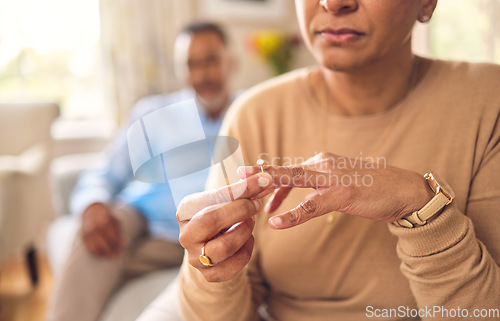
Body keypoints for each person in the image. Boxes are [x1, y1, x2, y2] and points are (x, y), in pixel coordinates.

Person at [140, 1, 500, 320]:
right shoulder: (254, 114)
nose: (333, 3)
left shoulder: (486, 100)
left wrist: (421, 204)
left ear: (427, 3)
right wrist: (212, 268)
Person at [46, 21, 237, 321]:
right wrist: (93, 204)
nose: (201, 74)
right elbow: (104, 172)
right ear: (179, 70)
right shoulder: (151, 113)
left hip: (191, 238)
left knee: (103, 259)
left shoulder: (250, 114)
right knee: (97, 235)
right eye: (190, 64)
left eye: (210, 60)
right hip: (134, 219)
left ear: (231, 61)